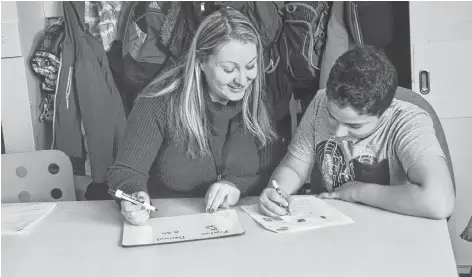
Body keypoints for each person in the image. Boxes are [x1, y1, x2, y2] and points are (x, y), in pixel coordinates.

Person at [108, 7, 282, 225]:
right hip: (170, 228)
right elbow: (125, 172)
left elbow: (268, 172)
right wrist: (133, 196)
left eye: (250, 66)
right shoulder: (158, 101)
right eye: (229, 69)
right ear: (200, 61)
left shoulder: (258, 101)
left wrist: (236, 186)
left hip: (238, 231)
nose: (242, 80)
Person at [259, 45, 455, 220]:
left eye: (355, 126)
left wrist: (357, 192)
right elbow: (294, 168)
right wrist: (278, 191)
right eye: (332, 117)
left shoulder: (408, 120)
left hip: (392, 233)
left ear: (385, 112)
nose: (338, 132)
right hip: (333, 230)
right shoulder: (320, 102)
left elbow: (439, 202)